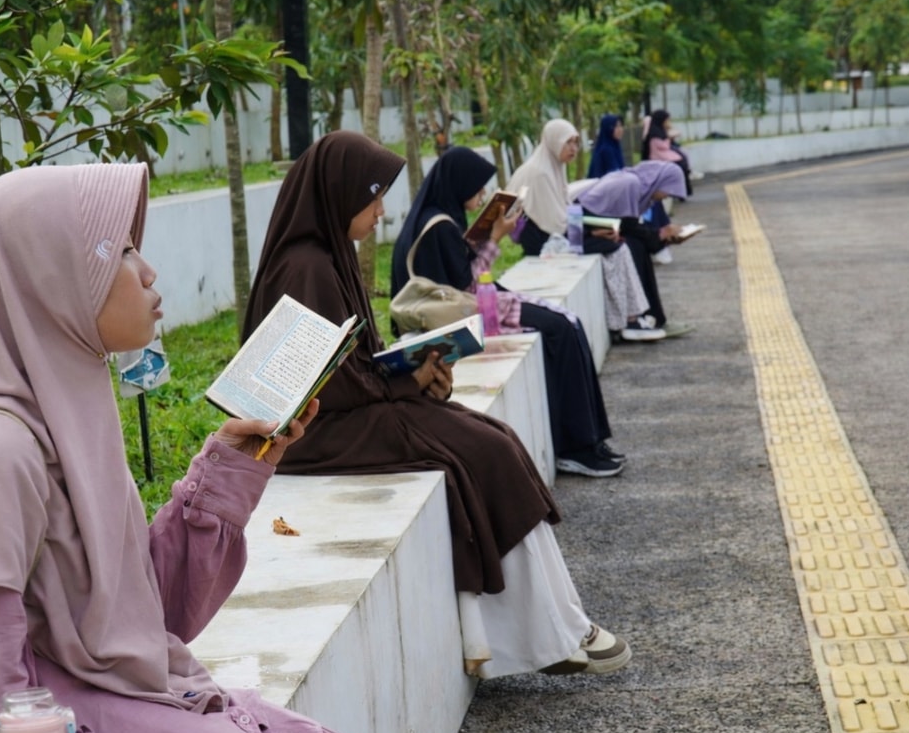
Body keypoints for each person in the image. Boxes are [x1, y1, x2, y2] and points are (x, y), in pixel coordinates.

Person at [0, 163, 385, 733]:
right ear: (52, 278)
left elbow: (143, 618)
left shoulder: (66, 409)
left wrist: (230, 465)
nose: (148, 271)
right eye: (121, 253)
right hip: (69, 731)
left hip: (128, 697)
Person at [242, 130, 632, 680]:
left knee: (493, 438)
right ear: (340, 193)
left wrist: (419, 377)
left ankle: (553, 625)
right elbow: (324, 388)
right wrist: (411, 381)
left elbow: (357, 365)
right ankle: (552, 631)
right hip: (316, 433)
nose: (381, 212)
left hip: (350, 415)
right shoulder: (306, 269)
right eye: (373, 198)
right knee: (483, 452)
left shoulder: (329, 255)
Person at [391, 145, 624, 477]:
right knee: (561, 328)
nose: (482, 194)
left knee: (567, 322)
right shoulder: (439, 226)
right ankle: (576, 447)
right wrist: (495, 238)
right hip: (464, 314)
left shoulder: (434, 217)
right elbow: (468, 284)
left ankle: (590, 440)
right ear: (460, 184)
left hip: (466, 307)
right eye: (477, 187)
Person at [508, 118, 665, 342]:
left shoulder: (552, 167)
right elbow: (555, 223)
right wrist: (592, 233)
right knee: (615, 248)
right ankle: (626, 320)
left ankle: (630, 317)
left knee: (617, 243)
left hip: (553, 236)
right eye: (568, 142)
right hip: (542, 242)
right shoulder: (540, 173)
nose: (573, 148)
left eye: (576, 142)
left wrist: (596, 229)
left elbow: (562, 213)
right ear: (553, 141)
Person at [575, 160, 696, 337]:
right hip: (583, 227)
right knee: (634, 247)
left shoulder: (639, 187)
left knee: (638, 245)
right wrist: (661, 235)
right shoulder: (631, 183)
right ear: (660, 182)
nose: (666, 196)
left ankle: (652, 316)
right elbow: (629, 225)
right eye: (668, 190)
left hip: (596, 224)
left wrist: (662, 237)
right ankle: (638, 318)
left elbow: (629, 224)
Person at [641, 109, 695, 195]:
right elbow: (663, 147)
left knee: (682, 158)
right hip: (659, 158)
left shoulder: (660, 131)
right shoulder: (654, 134)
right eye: (667, 120)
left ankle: (684, 188)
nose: (668, 122)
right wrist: (669, 138)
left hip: (663, 155)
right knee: (680, 162)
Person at [587, 114, 627, 179]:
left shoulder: (614, 146)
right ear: (608, 129)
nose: (620, 129)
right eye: (616, 126)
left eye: (621, 126)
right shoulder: (606, 149)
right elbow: (616, 175)